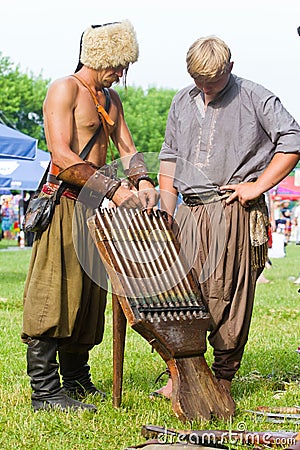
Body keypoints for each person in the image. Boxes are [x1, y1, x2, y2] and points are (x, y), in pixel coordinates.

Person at [22, 20, 158, 413]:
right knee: (54, 295)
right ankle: (45, 392)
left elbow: (127, 148)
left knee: (87, 300)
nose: (122, 72)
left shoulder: (110, 99)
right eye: (119, 64)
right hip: (65, 202)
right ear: (101, 57)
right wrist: (115, 189)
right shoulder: (64, 88)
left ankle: (76, 382)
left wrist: (143, 180)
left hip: (94, 209)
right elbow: (62, 157)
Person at [157, 35, 300, 405]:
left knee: (226, 296)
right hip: (188, 210)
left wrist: (259, 186)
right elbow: (169, 157)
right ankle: (182, 373)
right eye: (198, 81)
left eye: (213, 82)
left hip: (231, 207)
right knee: (183, 294)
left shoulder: (256, 97)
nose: (205, 89)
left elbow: (292, 140)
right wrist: (166, 213)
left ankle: (222, 377)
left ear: (230, 69)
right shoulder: (181, 100)